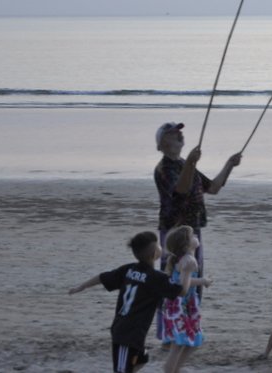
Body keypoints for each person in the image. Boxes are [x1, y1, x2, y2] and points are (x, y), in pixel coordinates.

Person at [154, 122, 241, 337]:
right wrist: (191, 163)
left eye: (180, 133)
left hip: (193, 231)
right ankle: (167, 332)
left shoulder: (184, 163)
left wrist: (229, 164)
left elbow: (213, 188)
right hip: (173, 232)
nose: (180, 135)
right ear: (164, 142)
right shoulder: (163, 168)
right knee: (172, 280)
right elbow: (181, 191)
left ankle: (189, 327)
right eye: (174, 133)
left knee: (193, 277)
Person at [69, 231, 196, 373]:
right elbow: (182, 291)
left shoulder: (128, 269)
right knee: (122, 370)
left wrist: (82, 286)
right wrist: (187, 271)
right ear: (154, 254)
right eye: (159, 245)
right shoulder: (156, 278)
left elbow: (102, 277)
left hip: (131, 332)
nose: (161, 247)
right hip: (127, 335)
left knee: (143, 358)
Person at [160, 225, 213, 373]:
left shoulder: (182, 259)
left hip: (180, 306)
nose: (196, 235)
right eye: (192, 235)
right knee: (178, 345)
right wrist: (203, 281)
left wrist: (202, 280)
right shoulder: (189, 261)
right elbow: (183, 288)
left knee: (192, 342)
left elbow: (183, 280)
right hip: (181, 307)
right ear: (186, 244)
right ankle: (170, 370)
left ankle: (175, 369)